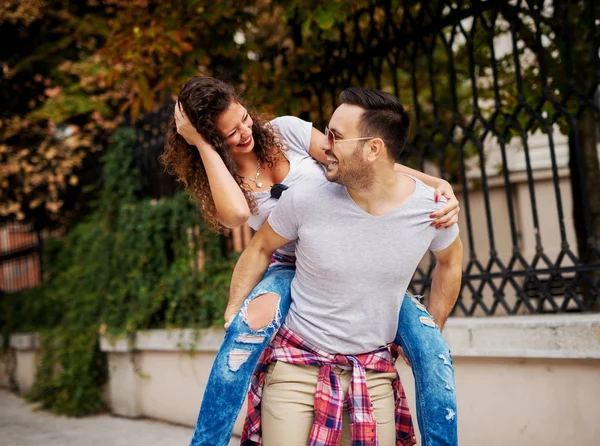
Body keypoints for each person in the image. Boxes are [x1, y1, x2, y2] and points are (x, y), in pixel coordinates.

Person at [161, 76, 461, 446]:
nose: (243, 133)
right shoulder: (221, 175)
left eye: (242, 119)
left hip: (350, 261)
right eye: (227, 134)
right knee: (241, 336)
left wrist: (433, 182)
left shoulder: (284, 131)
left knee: (434, 354)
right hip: (289, 268)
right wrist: (202, 144)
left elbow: (367, 160)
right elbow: (238, 216)